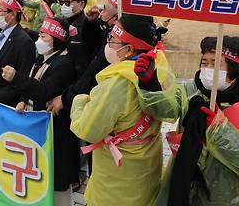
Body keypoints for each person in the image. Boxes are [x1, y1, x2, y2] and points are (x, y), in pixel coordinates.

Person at [69, 14, 179, 206]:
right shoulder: (158, 64)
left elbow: (89, 130)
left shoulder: (117, 84)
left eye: (112, 40)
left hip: (116, 181)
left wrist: (80, 102)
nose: (108, 44)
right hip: (147, 165)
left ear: (128, 50)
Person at [154, 35, 239, 206]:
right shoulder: (192, 89)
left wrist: (221, 131)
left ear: (235, 68)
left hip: (224, 195)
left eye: (216, 63)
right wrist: (149, 85)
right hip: (183, 183)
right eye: (205, 62)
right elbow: (165, 110)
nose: (208, 68)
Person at [1, 17, 80, 205]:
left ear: (56, 39)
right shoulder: (42, 57)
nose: (39, 39)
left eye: (44, 36)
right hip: (40, 131)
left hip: (58, 133)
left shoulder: (63, 64)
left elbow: (44, 90)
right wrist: (22, 100)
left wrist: (16, 78)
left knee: (58, 181)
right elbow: (32, 82)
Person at [59, 0, 99, 77]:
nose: (64, 6)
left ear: (81, 4)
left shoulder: (88, 27)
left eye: (67, 2)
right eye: (62, 2)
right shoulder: (60, 22)